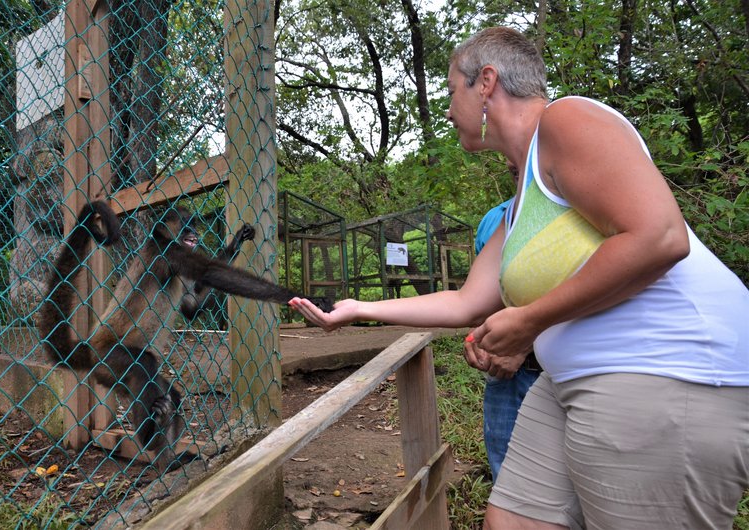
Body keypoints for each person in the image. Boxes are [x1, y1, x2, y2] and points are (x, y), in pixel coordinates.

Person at [291, 26, 749, 530]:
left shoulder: (567, 120)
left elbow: (659, 237)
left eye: (450, 92)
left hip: (668, 367)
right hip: (571, 381)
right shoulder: (519, 202)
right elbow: (466, 302)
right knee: (511, 520)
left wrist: (529, 321)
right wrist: (359, 310)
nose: (446, 110)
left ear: (485, 82)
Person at [474, 193, 542, 485]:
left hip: (557, 368)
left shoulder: (587, 205)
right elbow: (480, 298)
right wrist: (478, 338)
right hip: (504, 373)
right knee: (506, 474)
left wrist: (524, 345)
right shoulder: (496, 218)